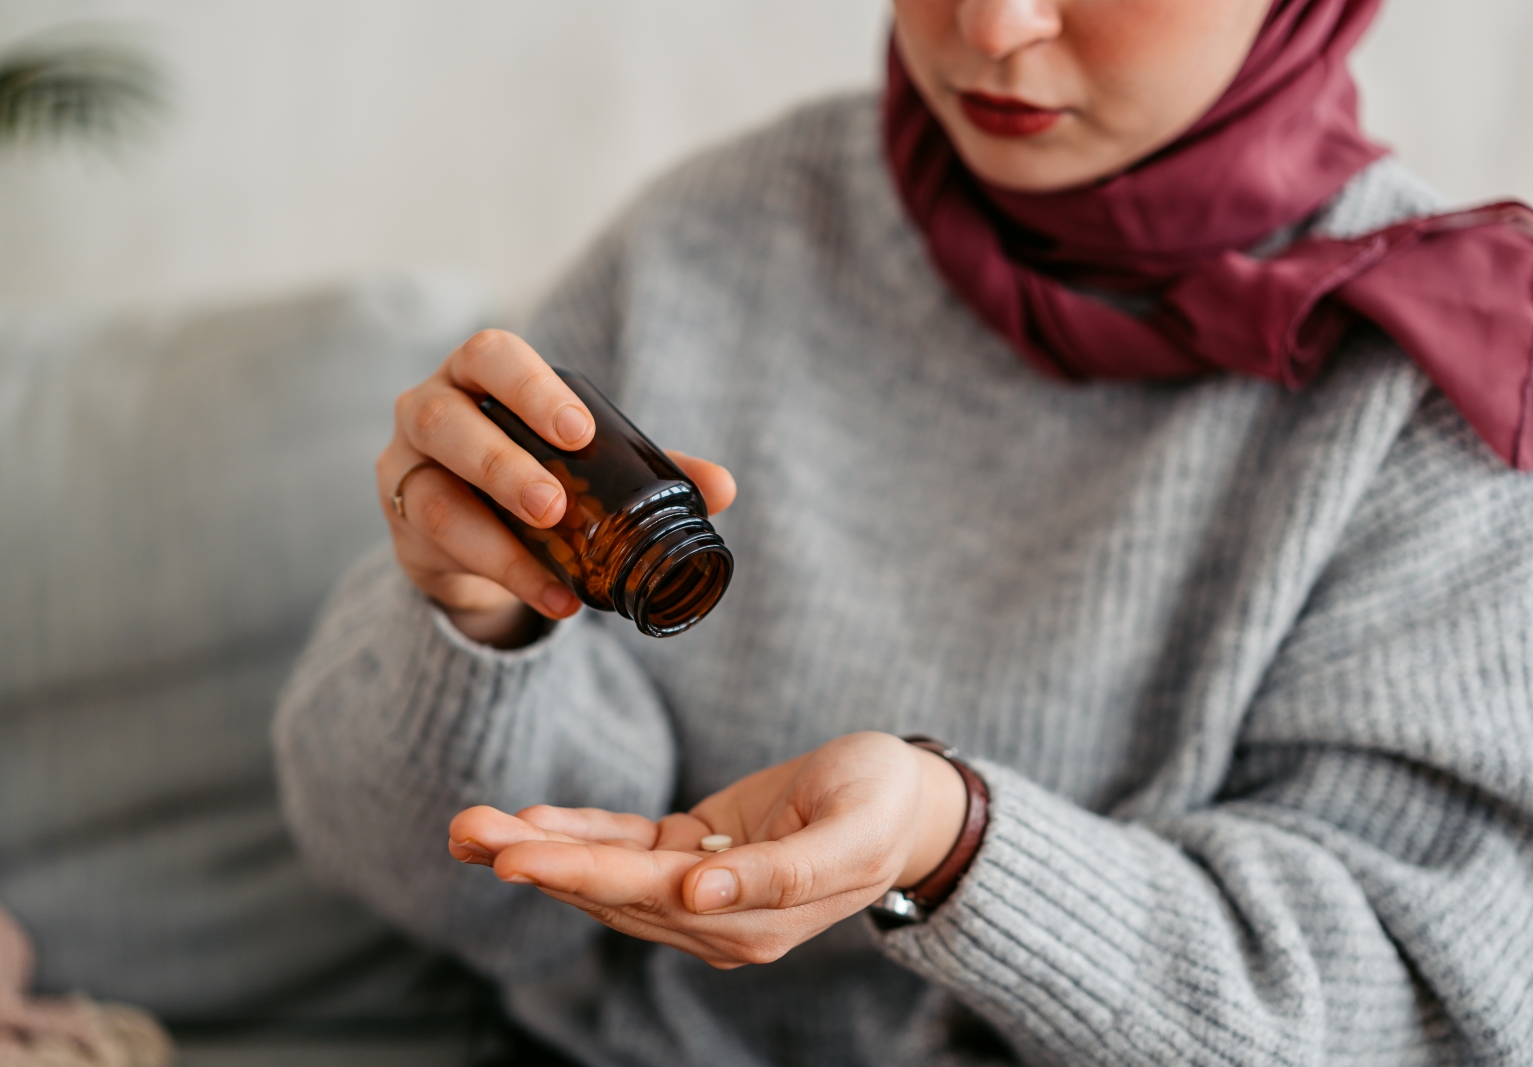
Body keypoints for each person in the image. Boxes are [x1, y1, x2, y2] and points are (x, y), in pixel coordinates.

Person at [273, 0, 1533, 1062]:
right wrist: (475, 622)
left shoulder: (1440, 377)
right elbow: (429, 883)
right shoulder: (721, 235)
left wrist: (955, 848)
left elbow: (1438, 1006)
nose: (991, 26)